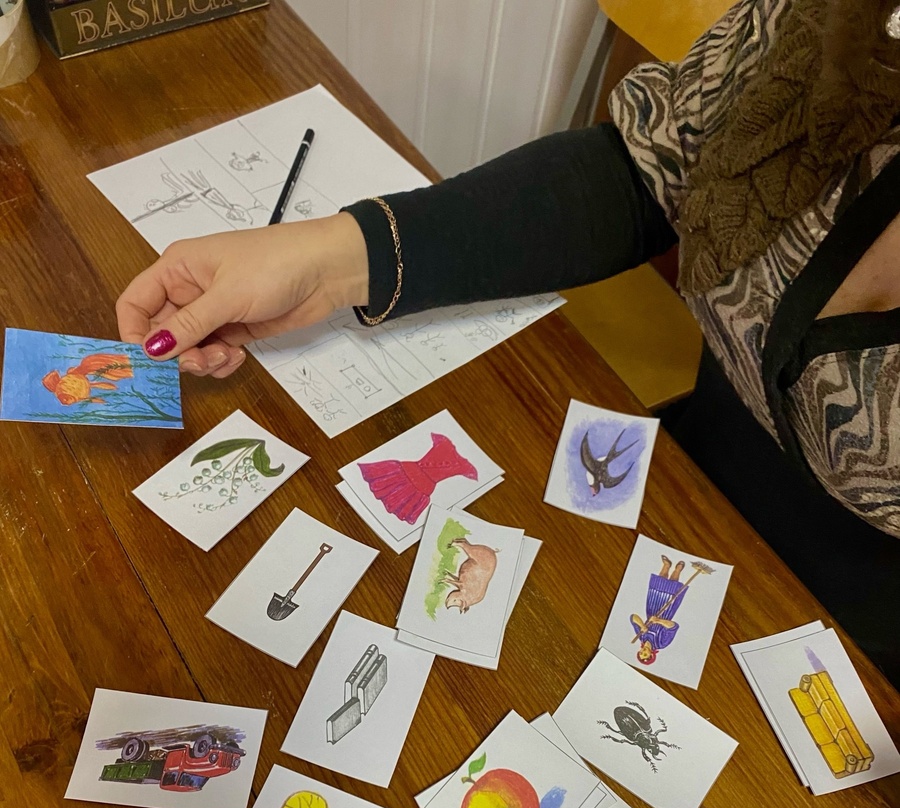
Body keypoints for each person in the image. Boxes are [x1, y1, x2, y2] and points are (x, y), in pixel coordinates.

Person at [116, 0, 900, 686]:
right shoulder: (849, 18)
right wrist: (330, 258)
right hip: (677, 489)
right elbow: (648, 174)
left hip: (866, 660)